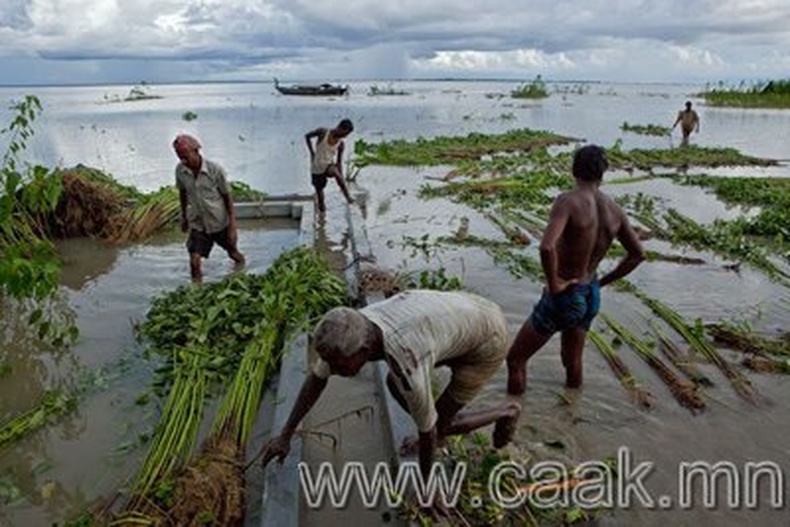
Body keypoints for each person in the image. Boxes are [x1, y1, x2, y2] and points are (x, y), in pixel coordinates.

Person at [259, 289, 521, 481]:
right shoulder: (352, 326)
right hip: (464, 311)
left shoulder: (405, 360)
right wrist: (285, 435)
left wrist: (426, 487)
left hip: (487, 339)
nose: (335, 372)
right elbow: (316, 380)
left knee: (440, 425)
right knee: (393, 385)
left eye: (340, 365)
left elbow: (426, 431)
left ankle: (508, 411)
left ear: (363, 350)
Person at [499, 145, 645, 441]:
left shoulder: (568, 201)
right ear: (603, 173)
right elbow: (637, 254)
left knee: (515, 360)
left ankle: (510, 423)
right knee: (573, 361)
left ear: (574, 169)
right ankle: (570, 419)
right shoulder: (614, 210)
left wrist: (554, 284)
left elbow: (546, 245)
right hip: (590, 294)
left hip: (565, 295)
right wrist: (601, 282)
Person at [173, 134, 245, 282]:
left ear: (196, 151)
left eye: (185, 156)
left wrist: (232, 226)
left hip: (218, 221)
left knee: (233, 254)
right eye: (180, 157)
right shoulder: (180, 171)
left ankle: (242, 271)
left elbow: (227, 197)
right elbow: (183, 192)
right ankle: (197, 292)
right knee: (194, 262)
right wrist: (184, 217)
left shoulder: (215, 170)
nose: (183, 160)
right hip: (198, 223)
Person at [305, 119, 355, 213]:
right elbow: (307, 136)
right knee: (321, 198)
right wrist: (312, 152)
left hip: (328, 166)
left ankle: (347, 196)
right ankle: (322, 219)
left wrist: (341, 178)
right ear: (340, 127)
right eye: (345, 133)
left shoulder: (341, 144)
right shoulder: (323, 132)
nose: (345, 136)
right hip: (316, 168)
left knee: (335, 172)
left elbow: (339, 163)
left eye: (347, 134)